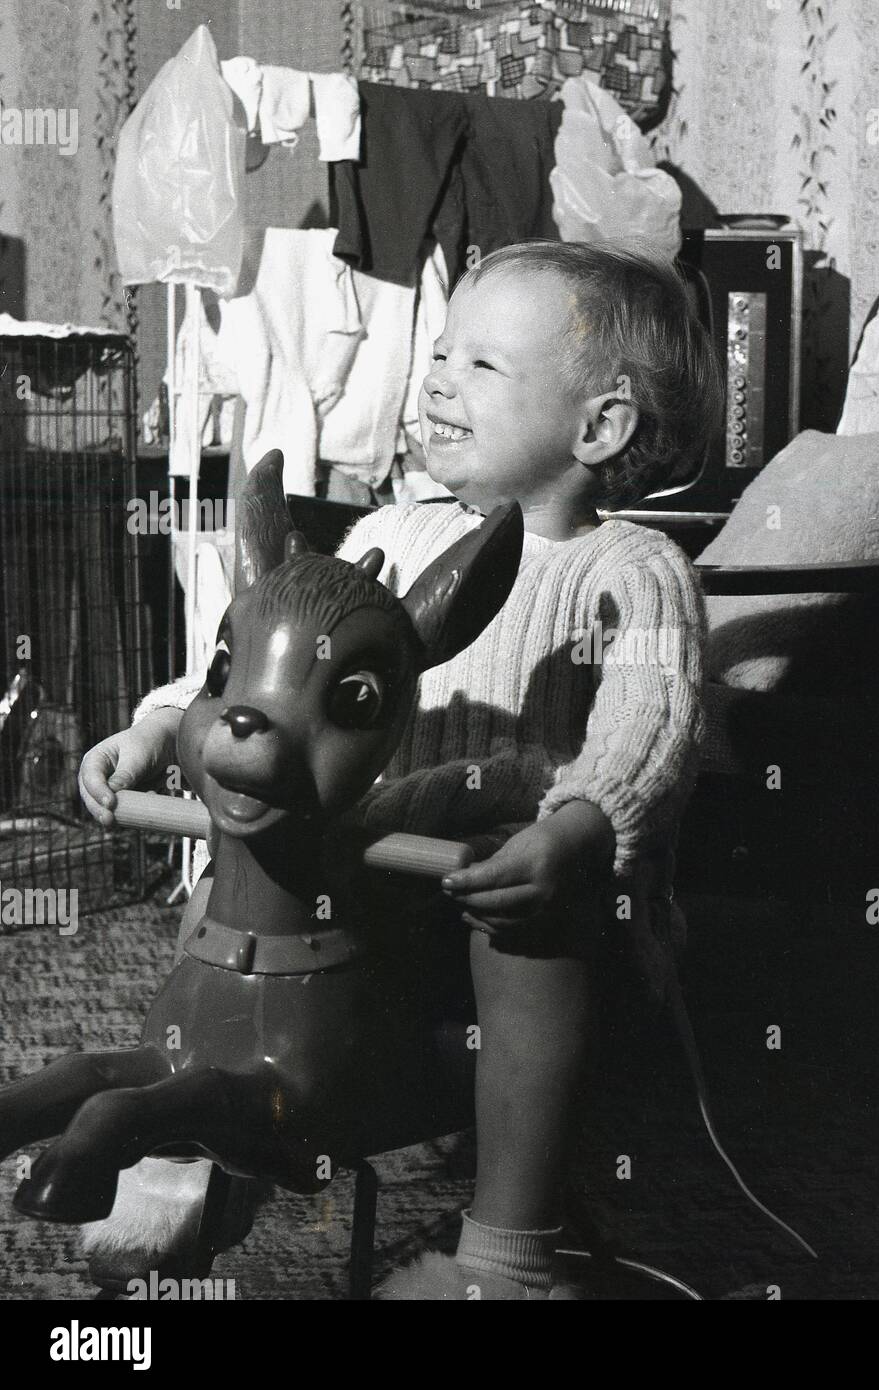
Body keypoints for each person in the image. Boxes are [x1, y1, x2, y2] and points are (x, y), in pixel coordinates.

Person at [80, 239, 723, 1299]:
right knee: (227, 901)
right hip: (374, 861)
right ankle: (186, 1148)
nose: (435, 377)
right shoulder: (388, 530)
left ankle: (508, 1245)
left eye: (481, 364)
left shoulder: (633, 570)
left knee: (526, 933)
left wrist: (583, 823)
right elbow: (260, 666)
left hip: (526, 886)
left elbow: (651, 729)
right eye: (440, 352)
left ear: (599, 426)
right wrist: (160, 730)